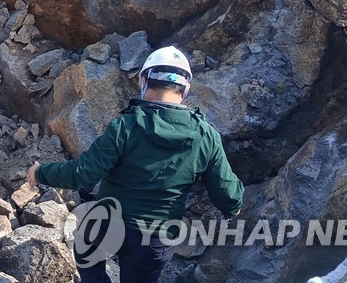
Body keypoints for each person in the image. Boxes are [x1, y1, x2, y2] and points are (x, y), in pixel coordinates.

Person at [27, 46, 244, 283]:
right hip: (155, 241)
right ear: (186, 89)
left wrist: (40, 173)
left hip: (109, 225)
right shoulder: (206, 136)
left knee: (86, 245)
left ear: (144, 79)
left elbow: (82, 174)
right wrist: (233, 207)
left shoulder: (125, 127)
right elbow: (226, 191)